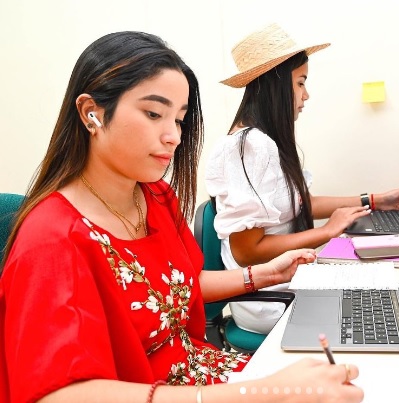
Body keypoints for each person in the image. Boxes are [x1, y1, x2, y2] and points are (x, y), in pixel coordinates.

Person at [0, 31, 364, 403]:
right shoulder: (53, 238)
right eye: (154, 114)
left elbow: (179, 286)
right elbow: (58, 395)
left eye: (179, 119)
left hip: (197, 368)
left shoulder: (155, 196)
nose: (173, 135)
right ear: (91, 113)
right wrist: (264, 393)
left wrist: (264, 274)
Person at [206, 23, 399, 334]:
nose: (306, 94)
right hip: (267, 299)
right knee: (388, 295)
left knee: (386, 284)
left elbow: (302, 203)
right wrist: (327, 232)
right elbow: (247, 252)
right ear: (273, 85)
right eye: (300, 83)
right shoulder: (248, 147)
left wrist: (374, 200)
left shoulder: (265, 141)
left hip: (287, 280)